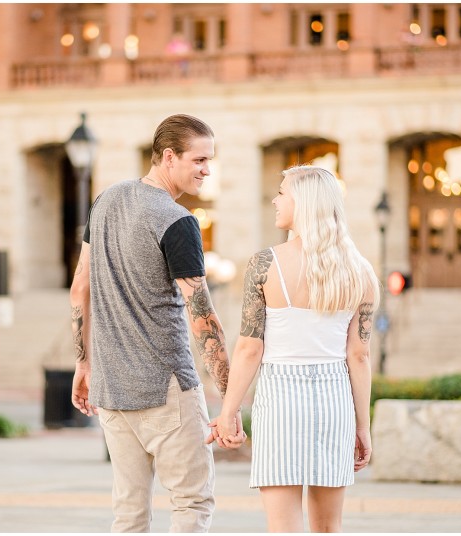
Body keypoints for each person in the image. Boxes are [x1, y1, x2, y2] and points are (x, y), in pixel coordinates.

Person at [69, 113, 245, 533]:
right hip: (166, 389)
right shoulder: (178, 221)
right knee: (192, 501)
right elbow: (202, 316)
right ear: (169, 157)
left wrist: (83, 363)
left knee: (128, 512)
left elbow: (79, 288)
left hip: (111, 389)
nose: (207, 170)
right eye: (199, 160)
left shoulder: (105, 201)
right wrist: (229, 401)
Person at [206, 165, 380, 532]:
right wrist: (362, 427)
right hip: (334, 399)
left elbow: (250, 348)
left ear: (303, 202)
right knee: (328, 528)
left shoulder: (265, 263)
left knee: (283, 528)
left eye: (283, 192)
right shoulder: (360, 271)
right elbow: (359, 356)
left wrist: (228, 411)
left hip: (280, 397)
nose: (275, 198)